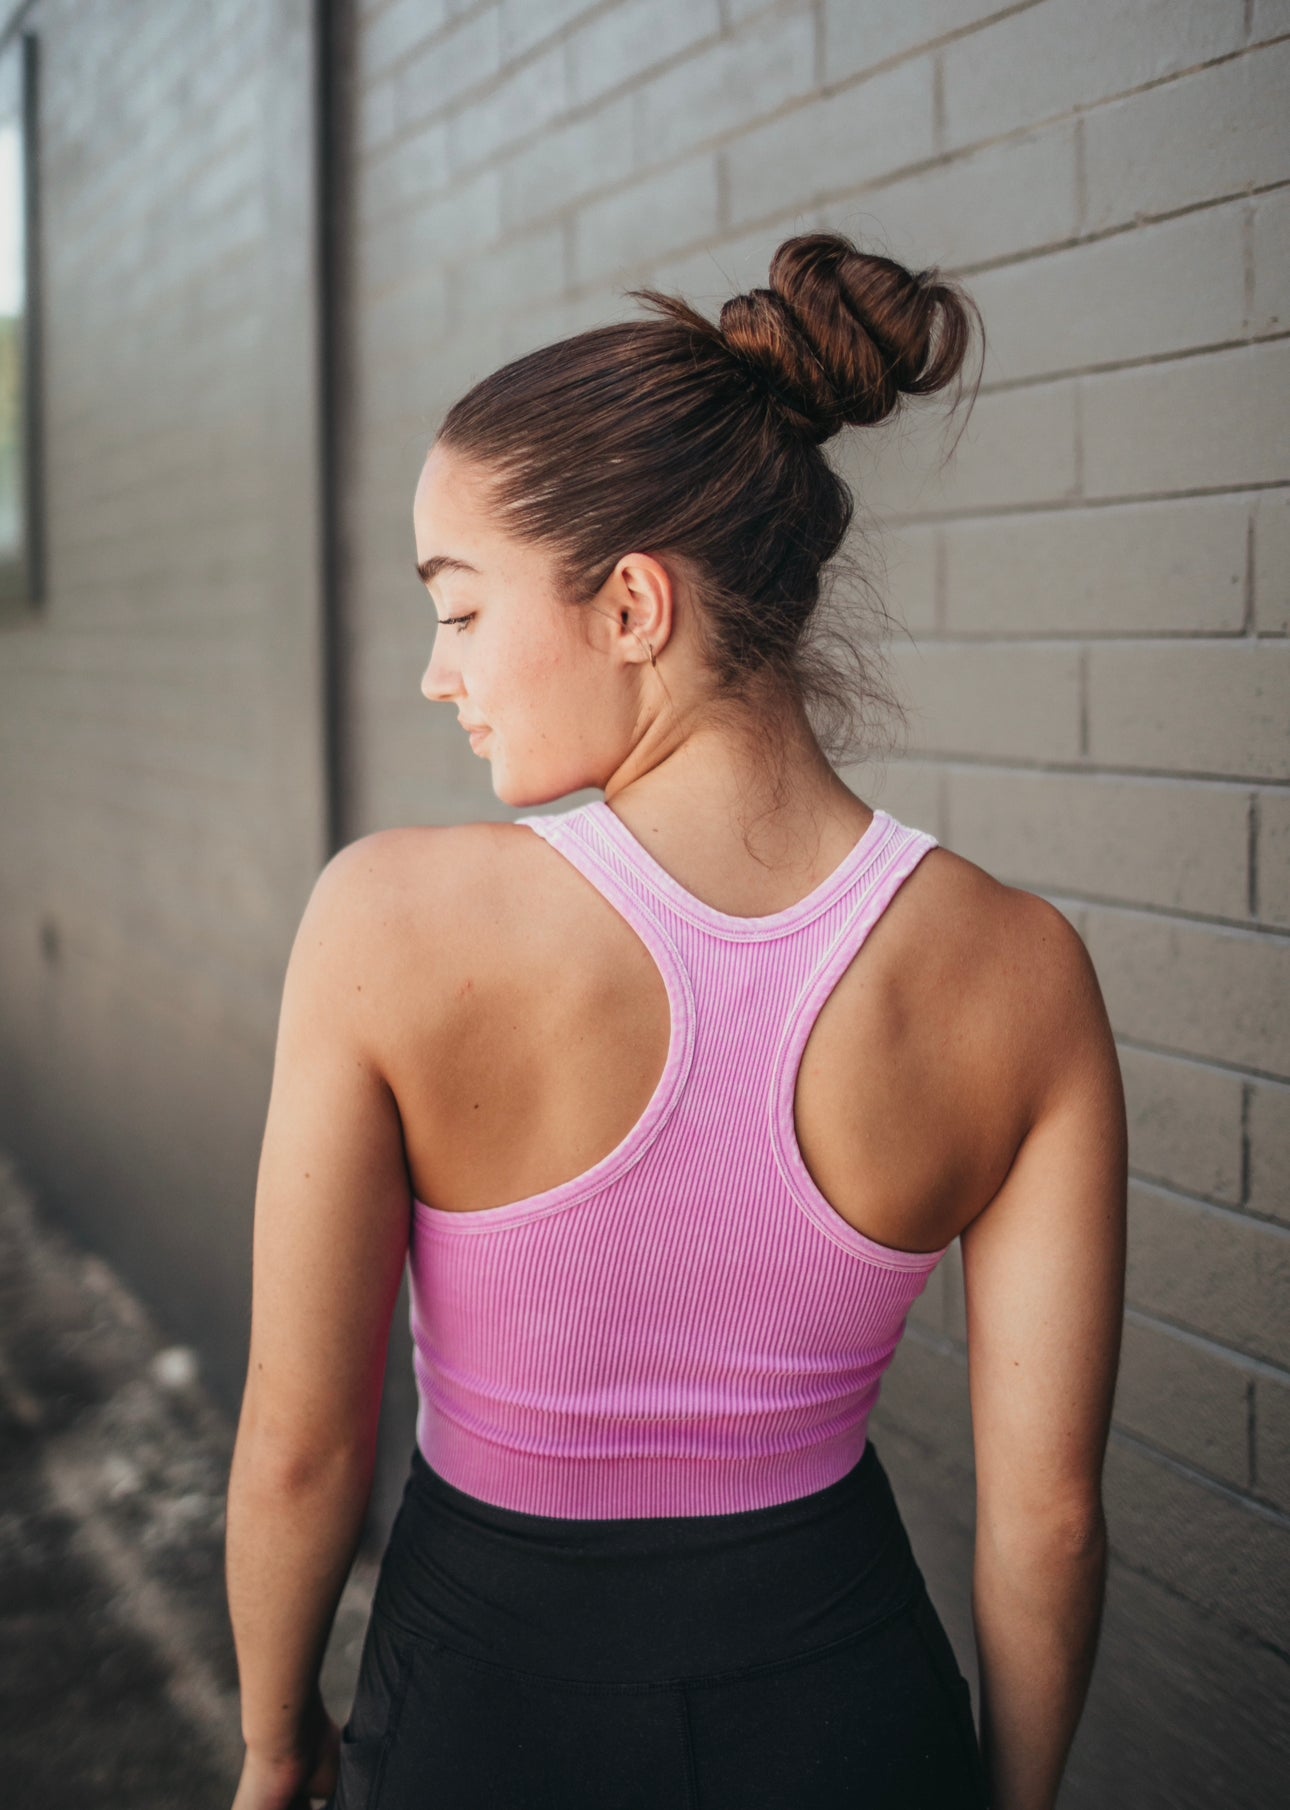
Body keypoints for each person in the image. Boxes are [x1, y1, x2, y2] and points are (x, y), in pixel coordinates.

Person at [225, 230, 1127, 1810]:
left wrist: (273, 1740)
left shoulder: (386, 922)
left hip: (483, 1712)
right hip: (847, 1714)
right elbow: (1045, 1515)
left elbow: (304, 1448)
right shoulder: (1019, 967)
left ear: (633, 603)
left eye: (457, 606)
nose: (440, 674)